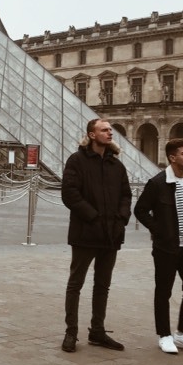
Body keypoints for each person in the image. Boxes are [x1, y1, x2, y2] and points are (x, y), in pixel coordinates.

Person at [61, 119, 132, 352]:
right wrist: (93, 217)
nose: (110, 132)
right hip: (85, 233)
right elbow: (70, 194)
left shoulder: (116, 165)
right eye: (104, 129)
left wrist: (121, 219)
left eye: (110, 129)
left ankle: (98, 332)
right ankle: (71, 332)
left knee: (103, 285)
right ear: (92, 135)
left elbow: (126, 195)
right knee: (76, 284)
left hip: (111, 234)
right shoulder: (76, 161)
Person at [134, 139, 183, 355]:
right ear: (173, 158)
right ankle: (164, 335)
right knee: (163, 291)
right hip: (167, 248)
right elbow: (140, 210)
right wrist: (159, 231)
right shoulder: (157, 183)